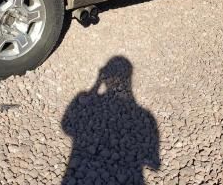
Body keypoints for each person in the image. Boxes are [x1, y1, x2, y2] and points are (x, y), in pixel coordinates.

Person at [61, 56, 160, 184]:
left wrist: (96, 85)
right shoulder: (146, 116)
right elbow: (154, 164)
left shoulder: (87, 99)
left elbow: (67, 126)